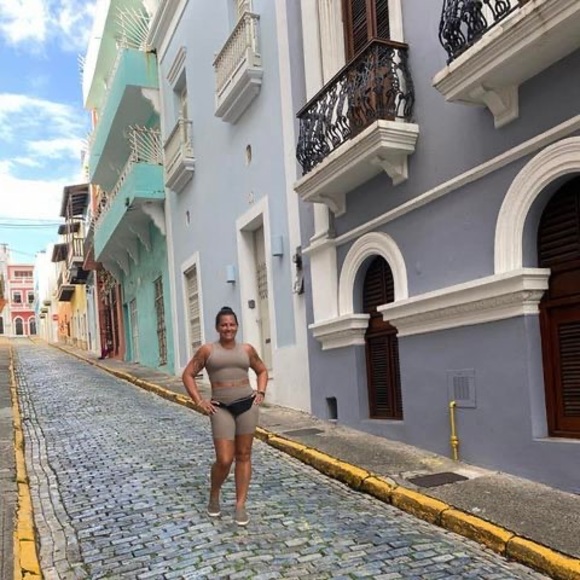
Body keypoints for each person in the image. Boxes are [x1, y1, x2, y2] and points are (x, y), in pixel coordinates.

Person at [182, 306, 268, 526]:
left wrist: (261, 391)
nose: (228, 328)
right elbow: (188, 374)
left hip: (247, 405)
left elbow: (261, 370)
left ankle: (240, 505)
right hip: (221, 408)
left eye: (231, 324)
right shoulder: (207, 351)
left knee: (244, 454)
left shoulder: (247, 349)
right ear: (217, 327)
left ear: (237, 326)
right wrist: (199, 401)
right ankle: (214, 493)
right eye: (224, 325)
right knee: (224, 459)